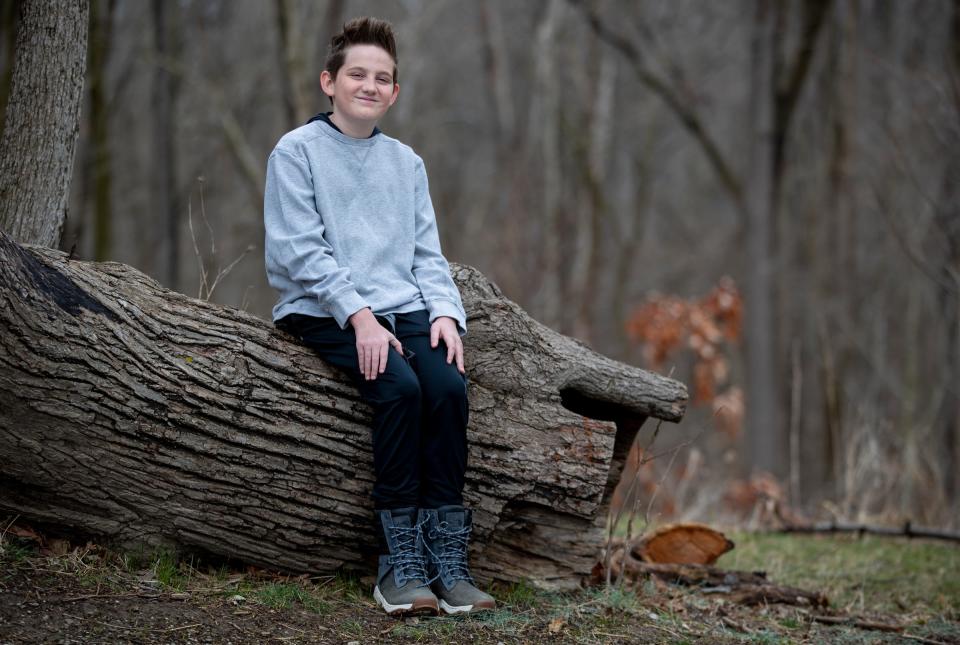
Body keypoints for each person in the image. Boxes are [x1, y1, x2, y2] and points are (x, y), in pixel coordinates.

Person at [263, 17, 495, 617]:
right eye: (357, 74)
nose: (369, 85)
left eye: (382, 78)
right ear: (329, 82)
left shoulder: (406, 163)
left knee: (446, 387)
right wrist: (360, 317)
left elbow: (426, 253)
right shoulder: (297, 152)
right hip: (322, 308)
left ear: (394, 92)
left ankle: (448, 562)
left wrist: (445, 314)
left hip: (403, 304)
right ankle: (399, 565)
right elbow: (299, 249)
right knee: (399, 389)